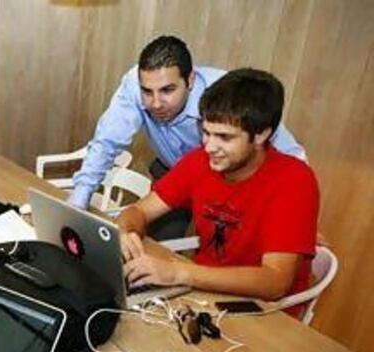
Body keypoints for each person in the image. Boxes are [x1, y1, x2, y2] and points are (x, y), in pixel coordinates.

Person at [116, 68, 319, 314]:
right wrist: (126, 231)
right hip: (200, 294)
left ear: (262, 134)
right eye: (206, 132)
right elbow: (138, 210)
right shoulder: (200, 161)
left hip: (263, 312)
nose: (210, 146)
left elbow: (275, 282)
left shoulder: (294, 180)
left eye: (224, 137)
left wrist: (179, 272)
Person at [69, 36, 306, 240]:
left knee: (227, 253)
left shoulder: (222, 97)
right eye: (147, 92)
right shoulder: (135, 84)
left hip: (232, 184)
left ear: (190, 81)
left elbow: (291, 155)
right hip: (176, 173)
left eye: (167, 90)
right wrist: (77, 204)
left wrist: (298, 219)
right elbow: (107, 143)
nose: (156, 103)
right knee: (153, 246)